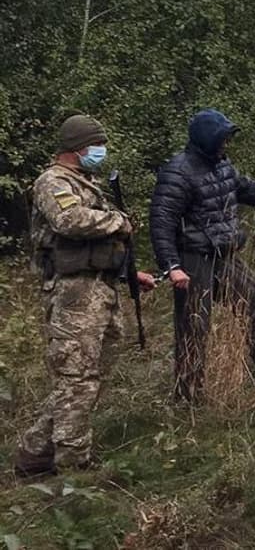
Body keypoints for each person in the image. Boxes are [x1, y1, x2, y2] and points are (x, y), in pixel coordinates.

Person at [15, 114, 158, 478]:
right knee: (77, 377)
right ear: (78, 147)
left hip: (98, 289)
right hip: (73, 295)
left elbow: (97, 248)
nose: (102, 151)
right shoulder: (53, 181)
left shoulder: (85, 182)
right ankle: (73, 465)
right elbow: (69, 221)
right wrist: (119, 221)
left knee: (88, 377)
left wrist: (129, 275)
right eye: (98, 145)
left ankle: (35, 451)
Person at [149, 109, 255, 401]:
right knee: (194, 329)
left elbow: (250, 190)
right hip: (193, 260)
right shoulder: (177, 172)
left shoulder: (222, 165)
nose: (226, 144)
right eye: (222, 138)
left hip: (224, 256)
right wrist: (172, 265)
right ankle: (188, 401)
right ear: (207, 139)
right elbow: (161, 223)